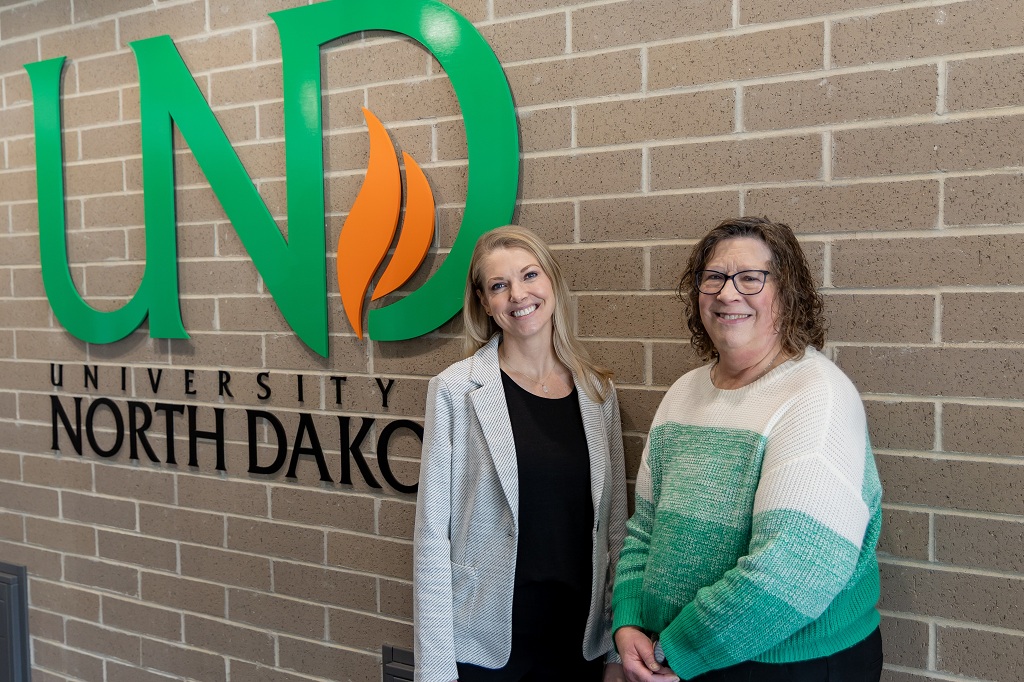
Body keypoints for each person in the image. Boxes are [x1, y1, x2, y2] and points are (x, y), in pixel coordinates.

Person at [612, 217, 883, 682]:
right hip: (681, 657)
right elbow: (645, 526)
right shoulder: (683, 393)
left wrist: (675, 650)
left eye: (751, 278)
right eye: (713, 277)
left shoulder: (817, 395)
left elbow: (796, 568)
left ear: (788, 293)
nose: (727, 293)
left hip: (791, 665)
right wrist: (629, 620)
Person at [413, 225, 628, 682]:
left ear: (551, 282)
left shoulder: (597, 393)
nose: (518, 294)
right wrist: (435, 671)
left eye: (529, 275)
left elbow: (614, 532)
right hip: (487, 644)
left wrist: (613, 650)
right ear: (486, 304)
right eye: (499, 285)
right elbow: (432, 538)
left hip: (578, 640)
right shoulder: (456, 389)